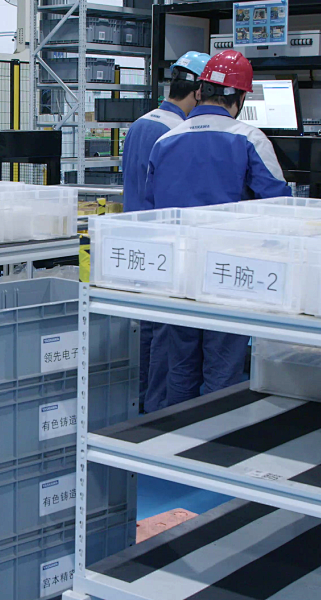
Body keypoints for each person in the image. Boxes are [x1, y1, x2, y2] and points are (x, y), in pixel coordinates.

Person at [142, 50, 290, 411]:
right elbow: (280, 209)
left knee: (180, 366)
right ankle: (213, 438)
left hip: (176, 272)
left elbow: (150, 208)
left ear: (200, 91)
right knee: (222, 369)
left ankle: (176, 434)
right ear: (240, 98)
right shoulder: (250, 139)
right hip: (230, 274)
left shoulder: (165, 141)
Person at [121, 51, 208, 410]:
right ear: (199, 91)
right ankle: (155, 410)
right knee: (164, 337)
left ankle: (138, 403)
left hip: (134, 243)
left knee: (144, 330)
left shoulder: (140, 124)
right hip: (164, 247)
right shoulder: (178, 133)